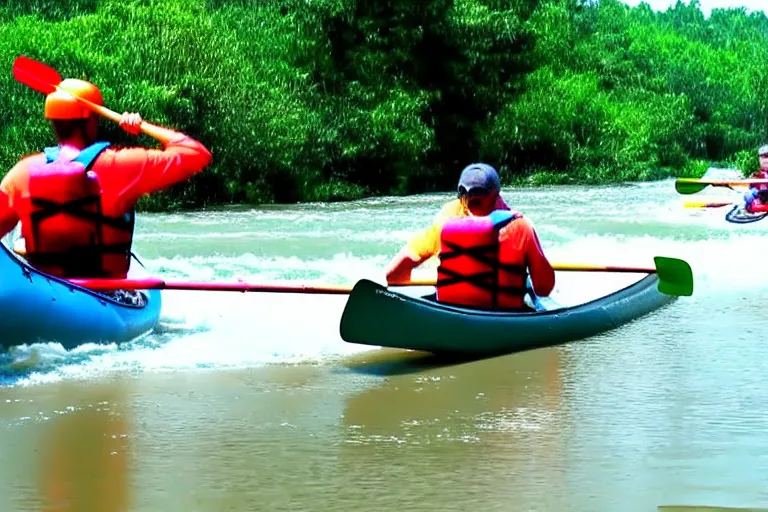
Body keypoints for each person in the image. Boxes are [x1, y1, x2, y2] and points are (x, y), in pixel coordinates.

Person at [0, 77, 212, 285]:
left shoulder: (22, 172)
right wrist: (143, 126)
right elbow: (196, 153)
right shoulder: (123, 165)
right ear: (93, 120)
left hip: (43, 287)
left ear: (53, 122)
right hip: (106, 290)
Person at [384, 163, 555, 310]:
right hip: (504, 317)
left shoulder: (445, 224)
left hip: (451, 312)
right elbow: (544, 288)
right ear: (496, 195)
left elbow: (393, 274)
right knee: (530, 289)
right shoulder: (520, 226)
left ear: (462, 198)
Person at [743, 144, 768, 213]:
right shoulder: (756, 174)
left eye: (767, 156)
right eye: (763, 157)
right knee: (749, 196)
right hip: (760, 196)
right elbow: (752, 189)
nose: (766, 160)